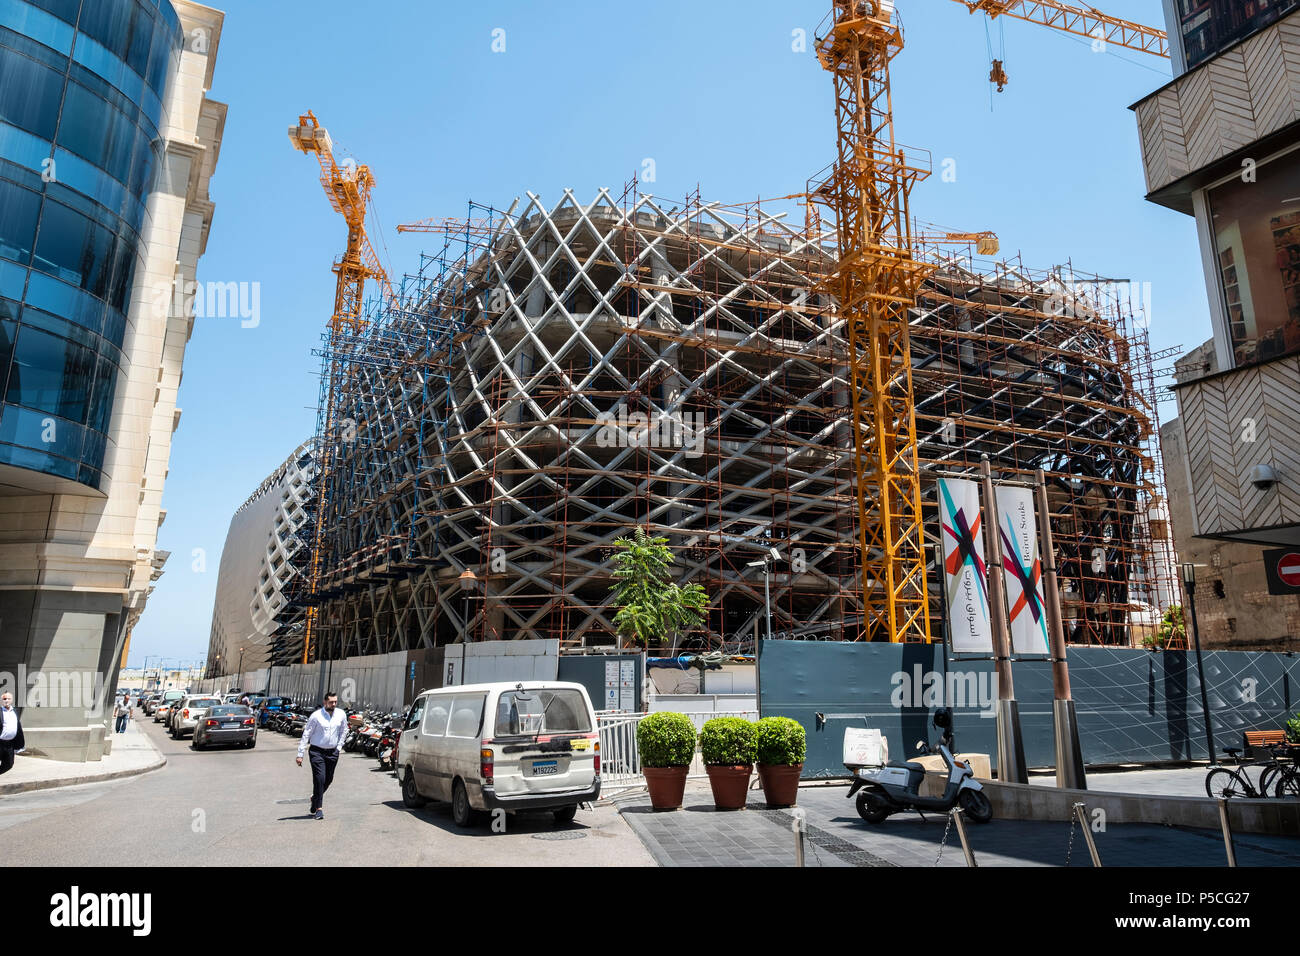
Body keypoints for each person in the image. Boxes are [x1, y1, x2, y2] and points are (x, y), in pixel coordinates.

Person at [296, 691, 346, 820]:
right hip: (317, 751)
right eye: (331, 702)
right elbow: (306, 734)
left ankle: (315, 798)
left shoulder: (341, 714)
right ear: (325, 702)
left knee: (328, 779)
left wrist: (339, 747)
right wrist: (300, 753)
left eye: (335, 702)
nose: (333, 704)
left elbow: (344, 730)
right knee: (320, 778)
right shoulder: (316, 716)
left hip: (332, 752)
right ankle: (319, 809)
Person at [0, 692, 25, 775]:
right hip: (0, 742)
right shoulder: (0, 711)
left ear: (12, 700)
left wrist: (19, 744)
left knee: (9, 764)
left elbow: (18, 727)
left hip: (10, 744)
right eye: (4, 699)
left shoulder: (15, 711)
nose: (6, 700)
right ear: (1, 700)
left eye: (8, 699)